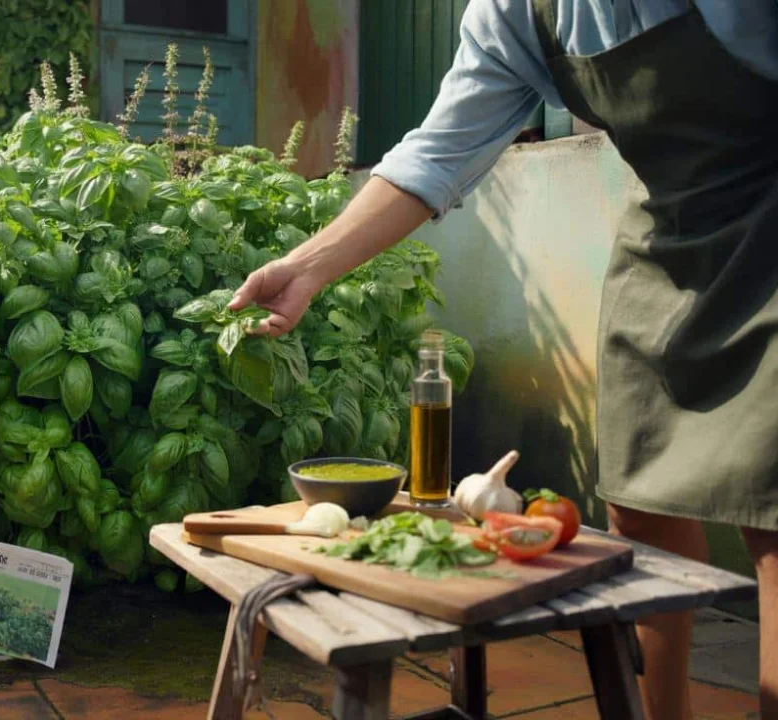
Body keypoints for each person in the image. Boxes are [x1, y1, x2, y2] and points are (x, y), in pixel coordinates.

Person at [229, 1, 778, 717]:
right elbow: (440, 151)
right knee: (639, 507)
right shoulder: (517, 11)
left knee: (772, 520)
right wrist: (309, 266)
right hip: (668, 235)